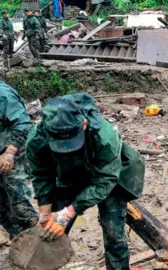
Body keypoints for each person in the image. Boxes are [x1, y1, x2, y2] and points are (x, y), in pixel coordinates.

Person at [26, 93, 145, 270]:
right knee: (50, 231)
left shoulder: (104, 137)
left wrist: (67, 213)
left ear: (83, 124)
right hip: (67, 176)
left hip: (104, 176)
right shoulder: (37, 139)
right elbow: (42, 175)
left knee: (113, 233)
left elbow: (106, 180)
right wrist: (45, 212)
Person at [0, 81, 38, 239]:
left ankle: (43, 245)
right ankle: (20, 241)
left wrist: (9, 152)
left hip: (12, 153)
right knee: (2, 207)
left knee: (20, 205)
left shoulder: (3, 94)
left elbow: (23, 124)